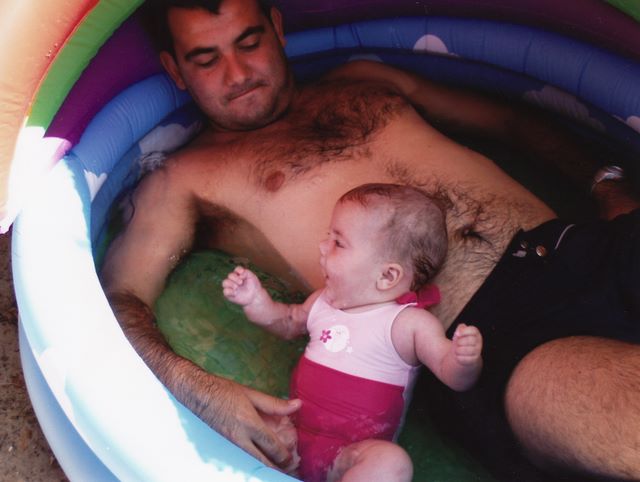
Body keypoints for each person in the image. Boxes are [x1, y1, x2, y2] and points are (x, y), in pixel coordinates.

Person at [101, 0, 640, 479]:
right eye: (206, 59)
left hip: (583, 245)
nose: (238, 73)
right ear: (174, 69)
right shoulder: (184, 180)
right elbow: (116, 300)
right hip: (485, 340)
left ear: (277, 27)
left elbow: (510, 121)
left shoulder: (361, 80)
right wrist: (204, 392)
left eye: (249, 41)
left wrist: (607, 185)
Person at [222, 183, 483, 481]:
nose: (322, 246)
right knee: (238, 409)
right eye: (328, 236)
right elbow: (287, 322)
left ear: (387, 276)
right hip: (288, 433)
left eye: (338, 242)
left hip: (346, 456)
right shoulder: (322, 302)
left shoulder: (408, 324)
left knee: (391, 463)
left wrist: (462, 360)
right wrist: (256, 301)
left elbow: (452, 375)